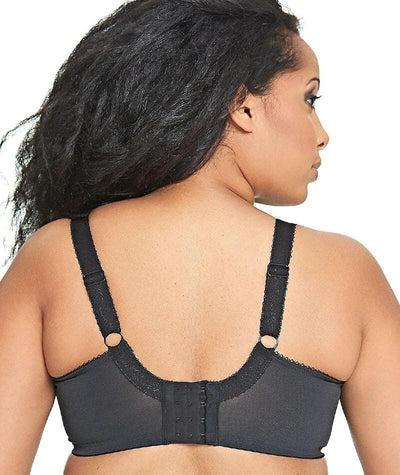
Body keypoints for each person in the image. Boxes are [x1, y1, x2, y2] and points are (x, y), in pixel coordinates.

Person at [0, 1, 399, 474]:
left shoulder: (56, 258)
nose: (322, 135)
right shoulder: (344, 273)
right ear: (243, 106)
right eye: (309, 100)